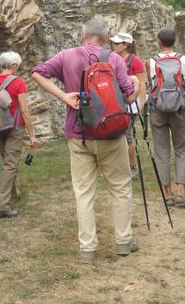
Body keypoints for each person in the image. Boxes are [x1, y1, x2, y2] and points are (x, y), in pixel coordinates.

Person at [32, 16, 140, 264]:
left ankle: (87, 249)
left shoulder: (66, 56)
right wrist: (135, 84)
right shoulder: (114, 59)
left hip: (79, 133)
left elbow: (37, 73)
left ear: (82, 35)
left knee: (83, 192)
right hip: (112, 135)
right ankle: (124, 241)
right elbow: (129, 98)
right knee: (121, 187)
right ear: (105, 39)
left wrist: (64, 97)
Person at [146, 27, 185, 207]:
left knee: (161, 150)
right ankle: (181, 191)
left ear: (159, 41)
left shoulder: (150, 62)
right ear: (175, 41)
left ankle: (167, 194)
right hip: (179, 109)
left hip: (158, 109)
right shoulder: (184, 60)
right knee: (182, 148)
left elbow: (150, 86)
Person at [0, 51, 38, 218]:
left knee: (7, 162)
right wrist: (32, 135)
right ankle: (1, 207)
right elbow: (24, 110)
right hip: (15, 127)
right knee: (10, 164)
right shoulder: (18, 82)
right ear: (15, 66)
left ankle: (13, 194)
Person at [109, 32, 146, 179]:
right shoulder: (112, 58)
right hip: (115, 102)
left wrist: (142, 102)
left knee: (127, 136)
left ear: (126, 45)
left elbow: (142, 82)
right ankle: (118, 165)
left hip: (131, 103)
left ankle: (132, 167)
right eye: (114, 43)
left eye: (118, 43)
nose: (114, 45)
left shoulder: (135, 60)